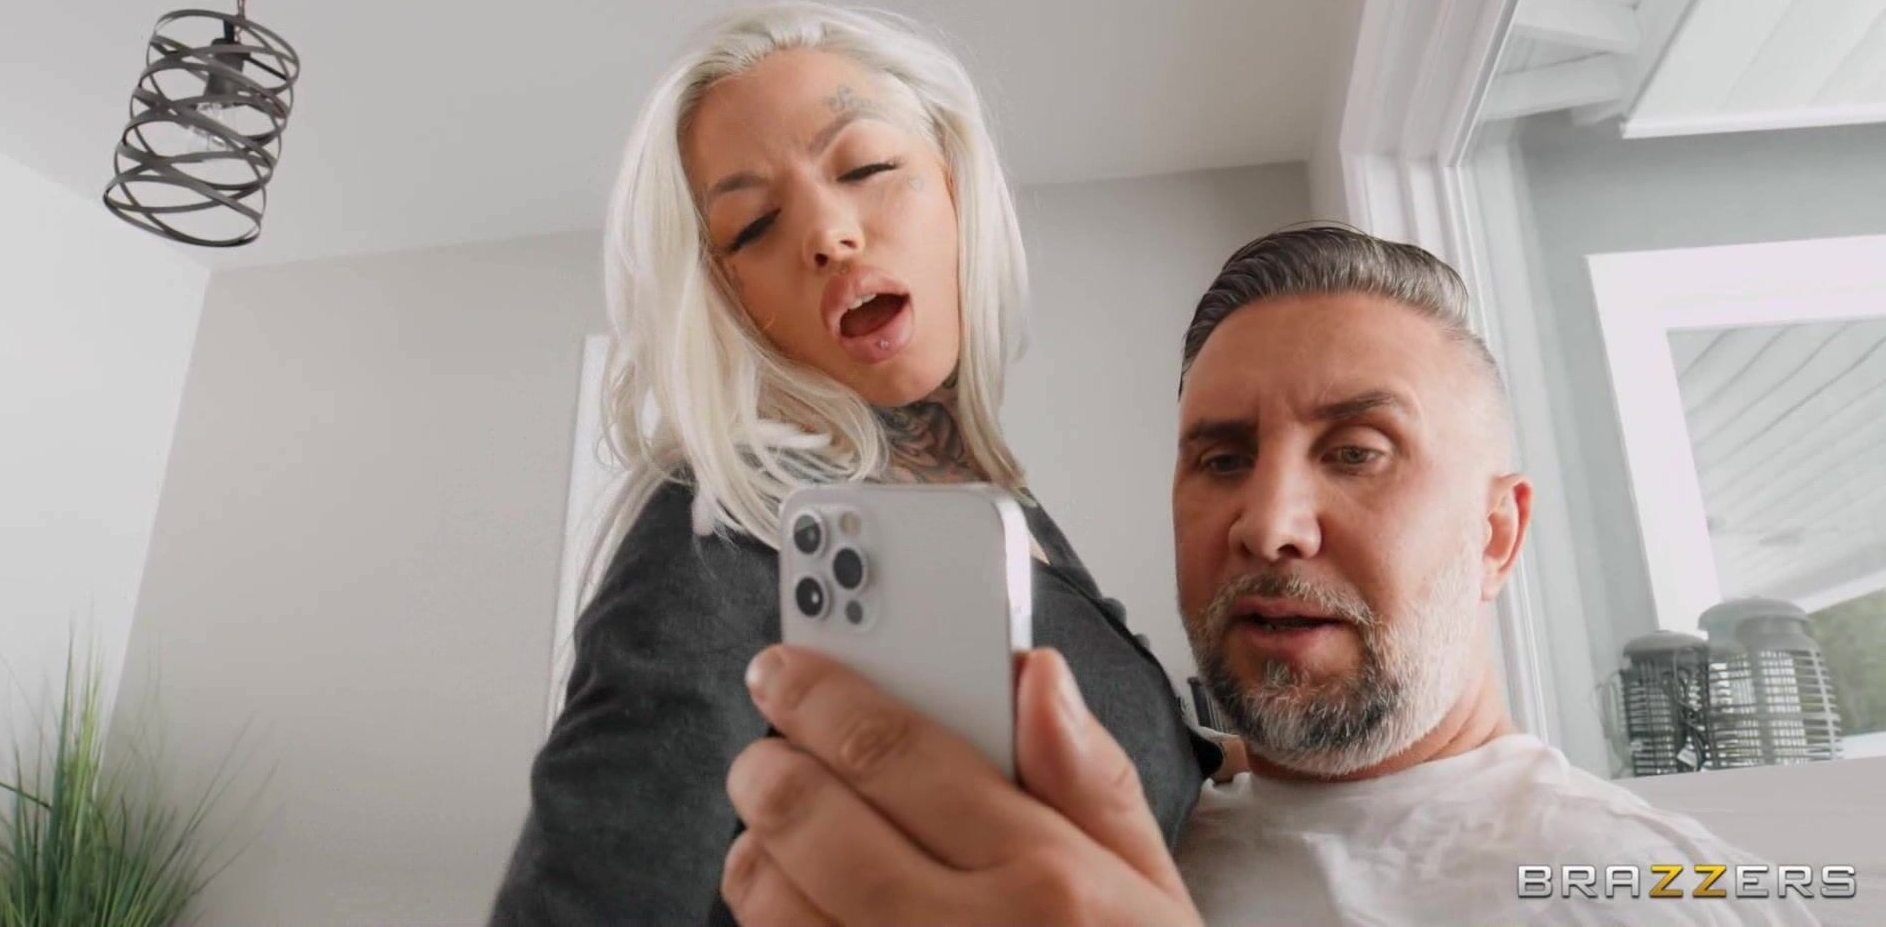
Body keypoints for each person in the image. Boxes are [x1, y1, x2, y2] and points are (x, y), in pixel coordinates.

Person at [716, 225, 1820, 925]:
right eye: (1221, 459)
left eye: (1358, 453)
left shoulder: (1652, 887)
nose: (1268, 524)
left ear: (1496, 533)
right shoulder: (1074, 851)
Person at [485, 1, 1217, 926]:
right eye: (754, 226)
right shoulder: (729, 525)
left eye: (866, 168)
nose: (828, 234)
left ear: (957, 188)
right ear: (734, 302)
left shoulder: (1001, 513)